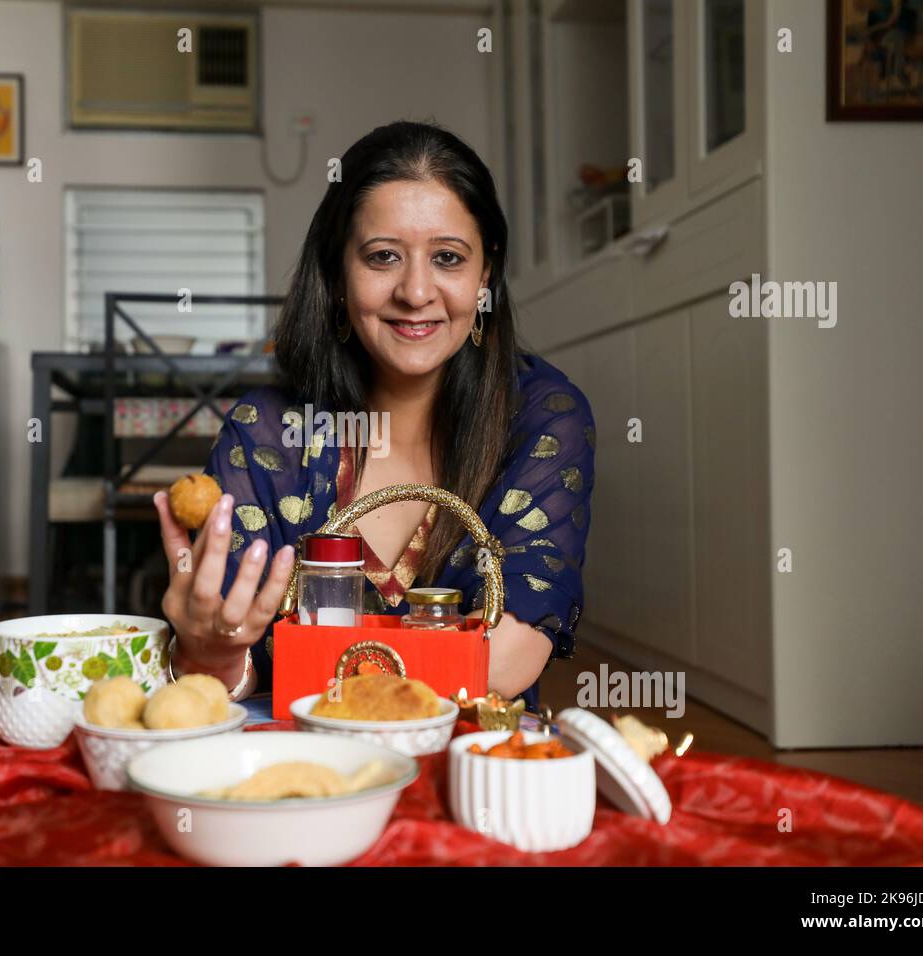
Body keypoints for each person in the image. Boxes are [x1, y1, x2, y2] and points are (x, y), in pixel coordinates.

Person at [153, 120, 595, 710]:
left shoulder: (540, 417)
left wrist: (309, 668)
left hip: (466, 783)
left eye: (448, 257)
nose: (416, 292)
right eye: (383, 257)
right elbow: (231, 677)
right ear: (338, 276)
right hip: (305, 779)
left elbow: (506, 662)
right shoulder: (267, 433)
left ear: (485, 275)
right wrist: (209, 656)